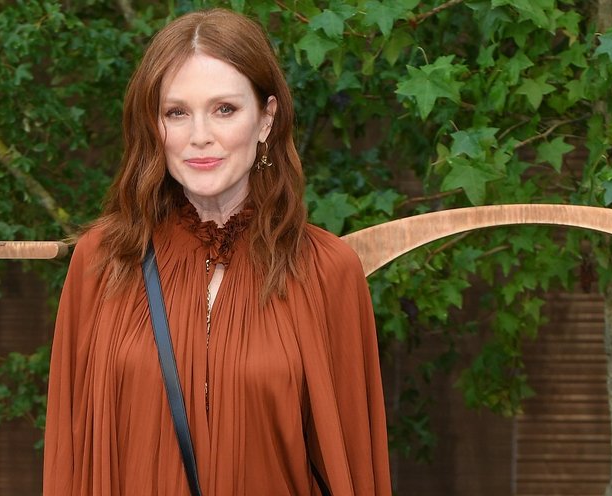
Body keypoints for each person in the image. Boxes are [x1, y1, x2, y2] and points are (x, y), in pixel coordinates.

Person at [43, 8, 391, 495]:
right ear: (153, 125)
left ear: (266, 118)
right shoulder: (104, 260)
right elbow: (69, 456)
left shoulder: (327, 271)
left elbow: (353, 465)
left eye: (224, 109)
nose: (200, 135)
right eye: (176, 112)